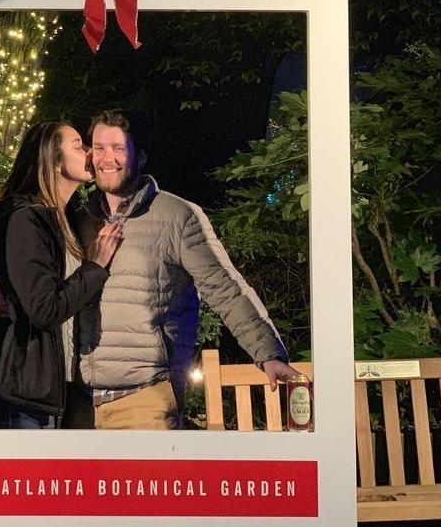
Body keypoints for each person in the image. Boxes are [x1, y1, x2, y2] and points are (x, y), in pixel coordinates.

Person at [72, 109, 298, 430]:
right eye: (99, 147)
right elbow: (44, 278)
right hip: (77, 406)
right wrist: (0, 292)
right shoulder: (76, 219)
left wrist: (268, 352)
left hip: (144, 400)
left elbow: (224, 287)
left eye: (118, 148)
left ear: (142, 156)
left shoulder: (177, 216)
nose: (107, 158)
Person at [0, 120, 122, 429]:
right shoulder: (26, 219)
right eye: (77, 146)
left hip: (61, 386)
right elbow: (44, 310)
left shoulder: (67, 221)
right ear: (54, 160)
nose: (89, 153)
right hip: (24, 389)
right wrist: (95, 267)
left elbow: (38, 278)